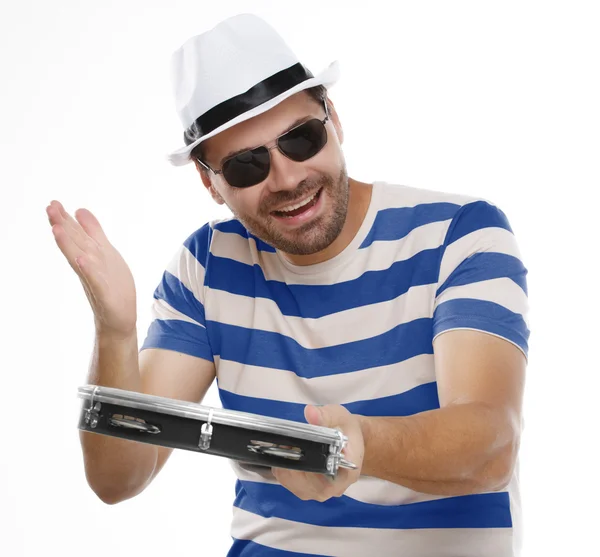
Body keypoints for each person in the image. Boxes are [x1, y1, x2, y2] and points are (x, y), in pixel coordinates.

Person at [47, 13, 530, 557]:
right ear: (210, 183)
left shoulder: (459, 236)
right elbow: (118, 479)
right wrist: (115, 330)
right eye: (247, 165)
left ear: (335, 120)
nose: (286, 178)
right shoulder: (207, 267)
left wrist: (358, 446)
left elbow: (491, 447)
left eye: (301, 138)